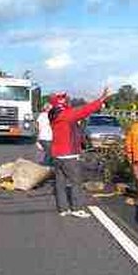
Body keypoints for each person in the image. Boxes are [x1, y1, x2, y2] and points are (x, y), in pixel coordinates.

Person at [49, 88, 111, 218]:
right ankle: (77, 208)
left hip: (56, 154)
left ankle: (63, 209)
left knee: (60, 183)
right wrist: (102, 99)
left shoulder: (53, 115)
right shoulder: (65, 115)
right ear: (62, 102)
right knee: (76, 181)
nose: (67, 100)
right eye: (64, 98)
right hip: (68, 155)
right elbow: (85, 110)